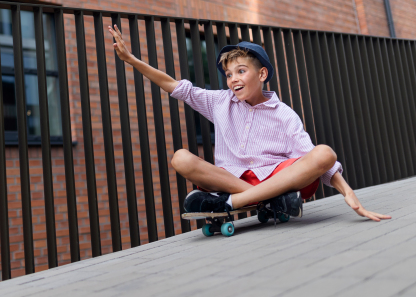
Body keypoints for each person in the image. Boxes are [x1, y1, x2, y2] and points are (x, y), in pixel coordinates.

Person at [108, 24, 391, 222]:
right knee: (181, 158)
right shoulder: (219, 102)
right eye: (229, 74)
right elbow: (174, 86)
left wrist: (349, 193)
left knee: (325, 152)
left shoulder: (283, 114)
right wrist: (131, 60)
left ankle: (232, 204)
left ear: (262, 74)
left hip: (279, 178)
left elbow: (319, 160)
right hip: (234, 179)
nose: (233, 79)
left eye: (241, 71)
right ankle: (268, 200)